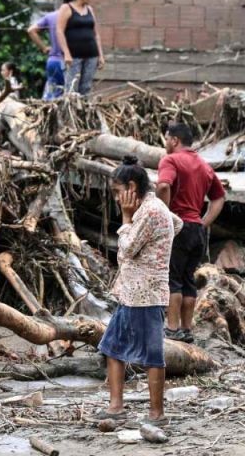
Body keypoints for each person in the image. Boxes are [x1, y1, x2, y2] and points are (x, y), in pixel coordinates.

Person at [94, 156, 181, 427]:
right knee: (112, 347)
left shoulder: (149, 211)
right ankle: (116, 406)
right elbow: (176, 223)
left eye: (118, 192)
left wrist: (126, 218)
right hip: (131, 292)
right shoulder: (154, 207)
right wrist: (159, 246)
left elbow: (128, 247)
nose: (117, 198)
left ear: (132, 187)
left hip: (145, 294)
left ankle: (157, 414)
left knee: (151, 355)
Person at [157, 121, 226, 344]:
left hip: (179, 226)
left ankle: (172, 328)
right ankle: (187, 330)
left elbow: (163, 186)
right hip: (196, 229)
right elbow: (219, 197)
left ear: (175, 140)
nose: (166, 143)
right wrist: (204, 222)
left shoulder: (170, 160)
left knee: (173, 279)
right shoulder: (205, 165)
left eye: (167, 138)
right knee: (188, 280)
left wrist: (165, 214)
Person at [54, 0, 105, 95]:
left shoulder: (89, 9)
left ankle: (85, 111)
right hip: (73, 56)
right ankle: (70, 112)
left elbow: (96, 34)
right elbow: (59, 31)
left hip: (91, 54)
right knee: (72, 87)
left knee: (86, 87)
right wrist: (66, 53)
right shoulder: (66, 8)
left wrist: (100, 55)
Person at [27, 11, 65, 100]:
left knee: (51, 92)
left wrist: (44, 48)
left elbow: (31, 30)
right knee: (67, 96)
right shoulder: (73, 16)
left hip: (52, 62)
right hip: (67, 62)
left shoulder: (51, 16)